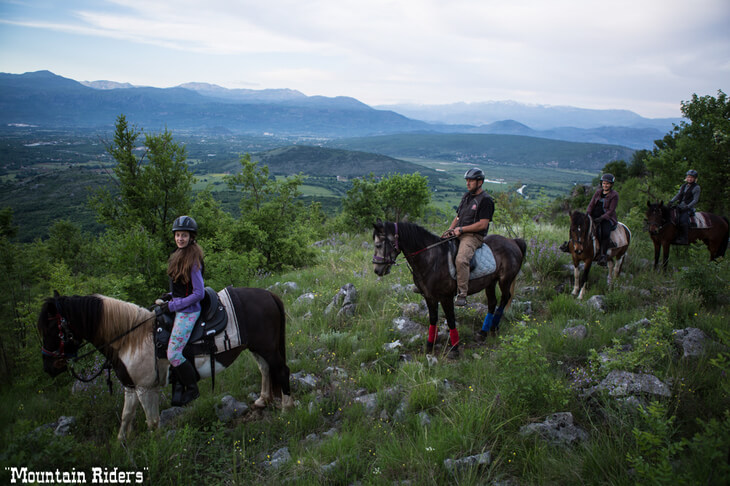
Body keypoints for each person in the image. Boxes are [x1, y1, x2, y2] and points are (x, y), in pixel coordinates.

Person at [158, 215, 205, 406]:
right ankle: (177, 385)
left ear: (191, 237)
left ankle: (192, 389)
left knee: (174, 354)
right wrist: (170, 296)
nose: (180, 239)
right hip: (179, 305)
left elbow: (199, 292)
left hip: (189, 311)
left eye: (184, 235)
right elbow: (181, 286)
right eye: (178, 235)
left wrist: (173, 305)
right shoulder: (178, 254)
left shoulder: (193, 260)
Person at [442, 168, 494, 307]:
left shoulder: (486, 200)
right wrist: (450, 230)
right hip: (459, 231)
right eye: (467, 180)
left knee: (461, 259)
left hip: (472, 236)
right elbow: (458, 217)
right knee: (439, 249)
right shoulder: (466, 197)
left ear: (480, 182)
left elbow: (483, 224)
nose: (468, 183)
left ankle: (462, 293)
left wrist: (461, 229)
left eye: (471, 180)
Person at [585, 173, 618, 266]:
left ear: (611, 184)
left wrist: (602, 218)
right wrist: (587, 214)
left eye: (607, 184)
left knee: (605, 232)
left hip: (607, 218)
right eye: (604, 183)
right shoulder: (598, 192)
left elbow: (611, 210)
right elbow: (591, 205)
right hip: (594, 216)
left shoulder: (614, 195)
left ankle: (603, 255)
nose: (605, 185)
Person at [669, 169, 700, 245]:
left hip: (688, 208)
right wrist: (671, 201)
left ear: (695, 179)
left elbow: (695, 200)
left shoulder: (696, 187)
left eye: (692, 177)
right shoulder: (684, 186)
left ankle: (684, 239)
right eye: (689, 177)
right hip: (680, 206)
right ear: (686, 177)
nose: (690, 179)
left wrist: (687, 207)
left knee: (683, 220)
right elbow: (678, 195)